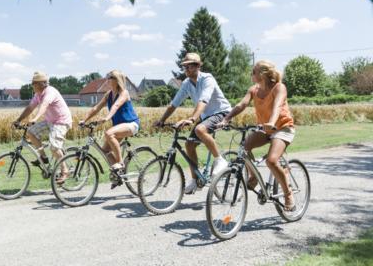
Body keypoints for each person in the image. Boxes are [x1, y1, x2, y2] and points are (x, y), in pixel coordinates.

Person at [217, 60, 296, 211]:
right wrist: (226, 119)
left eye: (253, 71)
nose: (251, 74)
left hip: (282, 127)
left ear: (262, 74)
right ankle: (253, 177)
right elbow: (241, 105)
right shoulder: (254, 90)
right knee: (244, 148)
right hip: (265, 129)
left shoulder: (279, 87)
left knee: (272, 161)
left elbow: (278, 106)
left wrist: (272, 122)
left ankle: (288, 194)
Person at [154, 52, 232, 194]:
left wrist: (191, 119)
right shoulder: (186, 83)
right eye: (184, 67)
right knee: (189, 144)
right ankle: (195, 180)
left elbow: (203, 100)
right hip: (205, 116)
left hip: (221, 112)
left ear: (197, 66)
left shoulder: (207, 79)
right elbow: (174, 104)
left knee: (200, 130)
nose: (186, 69)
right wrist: (162, 120)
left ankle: (220, 160)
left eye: (189, 66)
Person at [80, 70, 140, 188]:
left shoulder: (124, 93)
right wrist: (84, 120)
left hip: (131, 124)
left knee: (109, 133)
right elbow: (96, 108)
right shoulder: (109, 94)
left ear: (116, 80)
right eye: (107, 77)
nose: (107, 79)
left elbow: (116, 105)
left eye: (110, 77)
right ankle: (118, 174)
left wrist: (107, 117)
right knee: (105, 151)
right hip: (119, 126)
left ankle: (120, 164)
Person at [14, 71, 73, 183]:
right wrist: (18, 120)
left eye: (34, 83)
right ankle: (43, 157)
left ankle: (65, 171)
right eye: (32, 82)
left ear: (43, 83)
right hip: (50, 121)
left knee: (54, 147)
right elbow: (30, 108)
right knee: (31, 132)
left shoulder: (50, 92)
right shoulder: (38, 95)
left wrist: (35, 119)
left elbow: (44, 106)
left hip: (61, 122)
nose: (32, 85)